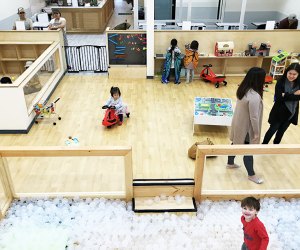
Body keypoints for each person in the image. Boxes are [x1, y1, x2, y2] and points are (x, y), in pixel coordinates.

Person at [227, 67, 266, 184]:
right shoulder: (254, 96)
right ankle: (251, 175)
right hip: (247, 128)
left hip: (238, 123)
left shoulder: (243, 89)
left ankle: (230, 163)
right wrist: (257, 132)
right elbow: (254, 117)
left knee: (235, 143)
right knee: (248, 150)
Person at [262, 63, 300, 144]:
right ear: (286, 72)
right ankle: (264, 144)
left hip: (291, 112)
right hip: (279, 111)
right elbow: (279, 98)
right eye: (290, 73)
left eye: (294, 74)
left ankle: (276, 145)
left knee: (281, 131)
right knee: (272, 129)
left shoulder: (299, 83)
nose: (291, 76)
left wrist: (285, 95)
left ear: (298, 74)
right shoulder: (280, 82)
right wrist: (294, 94)